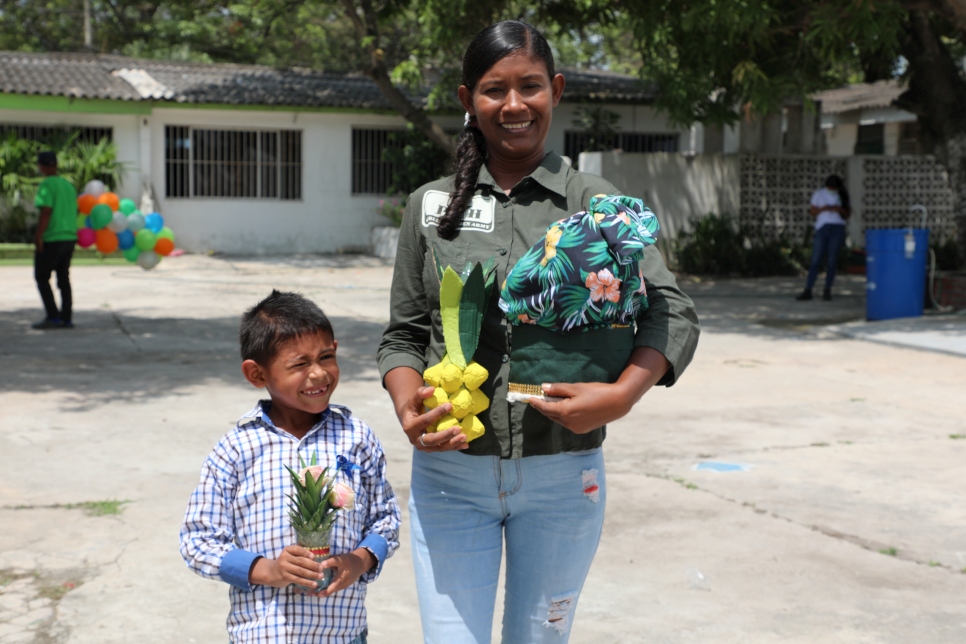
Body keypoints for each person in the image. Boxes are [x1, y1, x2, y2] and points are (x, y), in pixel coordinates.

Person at [377, 20, 700, 644]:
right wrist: (405, 401)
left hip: (563, 473)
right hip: (451, 476)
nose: (514, 105)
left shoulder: (595, 203)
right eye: (495, 90)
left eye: (530, 86)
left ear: (554, 90)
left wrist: (623, 394)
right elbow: (405, 333)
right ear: (467, 98)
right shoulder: (428, 208)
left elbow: (671, 308)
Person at [180, 290, 401, 644]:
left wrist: (358, 561)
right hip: (263, 634)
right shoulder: (236, 449)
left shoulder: (355, 436)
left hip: (343, 634)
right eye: (299, 364)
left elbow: (386, 519)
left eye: (326, 357)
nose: (318, 374)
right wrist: (266, 569)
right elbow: (197, 541)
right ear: (256, 374)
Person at [32, 151, 78, 329]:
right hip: (69, 238)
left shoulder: (47, 185)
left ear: (42, 166)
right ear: (56, 165)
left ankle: (53, 316)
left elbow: (46, 211)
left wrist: (38, 235)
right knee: (63, 278)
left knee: (42, 277)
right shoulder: (68, 186)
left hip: (52, 238)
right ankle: (66, 317)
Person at [796, 174, 851, 301]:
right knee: (815, 260)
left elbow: (848, 213)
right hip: (822, 227)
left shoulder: (842, 195)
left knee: (831, 261)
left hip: (837, 227)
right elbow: (812, 212)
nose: (832, 190)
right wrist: (824, 209)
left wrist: (839, 209)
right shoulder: (819, 194)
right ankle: (808, 289)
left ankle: (827, 290)